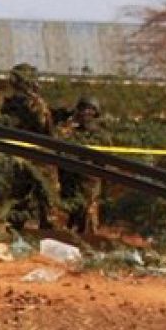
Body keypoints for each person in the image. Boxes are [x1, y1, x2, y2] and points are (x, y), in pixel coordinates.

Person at [0, 63, 58, 231]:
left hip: (35, 156)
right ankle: (17, 231)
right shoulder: (17, 104)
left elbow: (45, 128)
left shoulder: (30, 104)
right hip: (29, 156)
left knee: (42, 198)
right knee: (23, 197)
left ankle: (46, 233)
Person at [56, 96, 106, 235]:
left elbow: (103, 162)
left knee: (87, 218)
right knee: (68, 217)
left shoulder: (99, 135)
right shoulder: (71, 133)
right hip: (69, 181)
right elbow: (60, 151)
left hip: (88, 183)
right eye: (83, 109)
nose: (85, 113)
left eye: (90, 110)